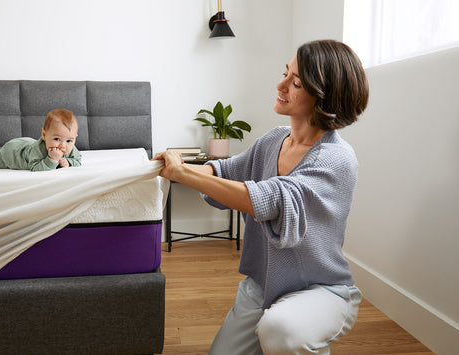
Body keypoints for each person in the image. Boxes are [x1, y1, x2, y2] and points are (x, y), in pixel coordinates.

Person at [153, 39, 369, 355]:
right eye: (285, 73)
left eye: (295, 82)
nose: (280, 84)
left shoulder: (337, 158)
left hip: (321, 291)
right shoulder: (274, 140)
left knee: (281, 332)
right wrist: (176, 166)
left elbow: (271, 200)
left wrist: (182, 174)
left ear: (324, 96)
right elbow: (225, 171)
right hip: (262, 286)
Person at [0, 108, 82, 171]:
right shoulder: (37, 150)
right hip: (14, 152)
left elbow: (78, 160)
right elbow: (35, 167)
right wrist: (52, 159)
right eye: (57, 139)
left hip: (28, 143)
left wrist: (69, 162)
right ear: (44, 135)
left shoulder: (71, 148)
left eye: (69, 141)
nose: (63, 145)